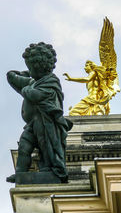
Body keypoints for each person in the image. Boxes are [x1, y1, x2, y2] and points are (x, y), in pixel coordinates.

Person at [7, 42, 73, 183]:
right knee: (24, 146)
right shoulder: (34, 81)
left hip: (45, 124)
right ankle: (20, 173)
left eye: (31, 67)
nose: (29, 70)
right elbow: (11, 77)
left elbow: (36, 96)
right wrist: (28, 74)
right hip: (32, 124)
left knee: (46, 148)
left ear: (40, 66)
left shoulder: (51, 82)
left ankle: (49, 171)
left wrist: (26, 89)